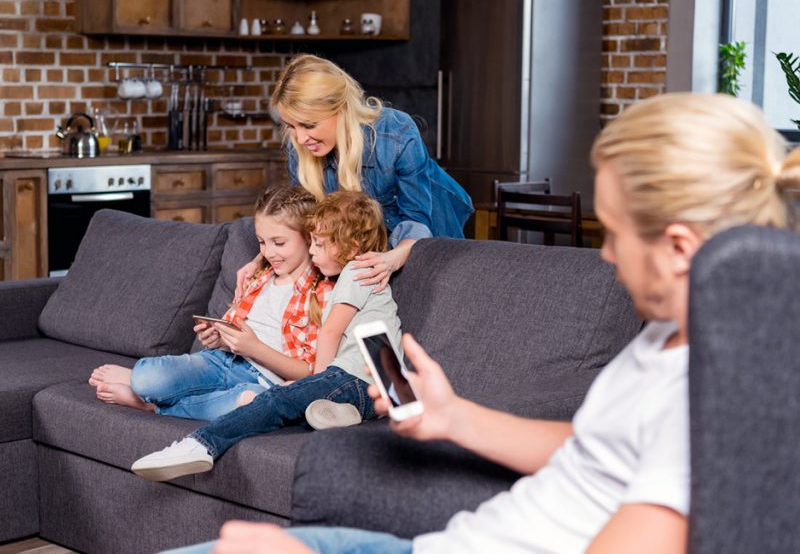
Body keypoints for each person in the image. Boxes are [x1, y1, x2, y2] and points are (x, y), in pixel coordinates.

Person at [160, 93, 800, 554]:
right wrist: (454, 418)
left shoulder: (718, 395)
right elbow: (598, 451)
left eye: (617, 233)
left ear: (681, 247)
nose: (604, 254)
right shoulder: (665, 338)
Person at [130, 190, 404, 482]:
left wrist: (313, 383)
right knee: (295, 401)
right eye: (311, 243)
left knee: (276, 401)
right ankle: (339, 412)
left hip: (350, 378)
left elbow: (330, 333)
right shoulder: (368, 278)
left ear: (353, 246)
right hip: (380, 389)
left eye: (319, 245)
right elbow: (384, 348)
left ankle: (199, 445)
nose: (312, 252)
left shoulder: (355, 272)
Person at [89, 185, 333, 422]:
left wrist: (255, 348)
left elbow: (310, 372)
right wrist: (218, 337)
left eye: (278, 243)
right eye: (261, 242)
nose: (268, 253)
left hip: (265, 382)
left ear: (309, 238)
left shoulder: (321, 293)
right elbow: (232, 333)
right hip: (221, 361)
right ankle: (148, 388)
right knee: (146, 378)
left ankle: (153, 405)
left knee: (251, 403)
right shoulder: (257, 278)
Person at [237, 54, 474, 294]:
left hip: (425, 231)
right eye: (291, 126)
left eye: (308, 125)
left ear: (341, 109)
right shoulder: (300, 148)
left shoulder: (395, 133)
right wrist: (262, 262)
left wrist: (390, 260)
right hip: (366, 246)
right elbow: (301, 221)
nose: (299, 138)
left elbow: (416, 219)